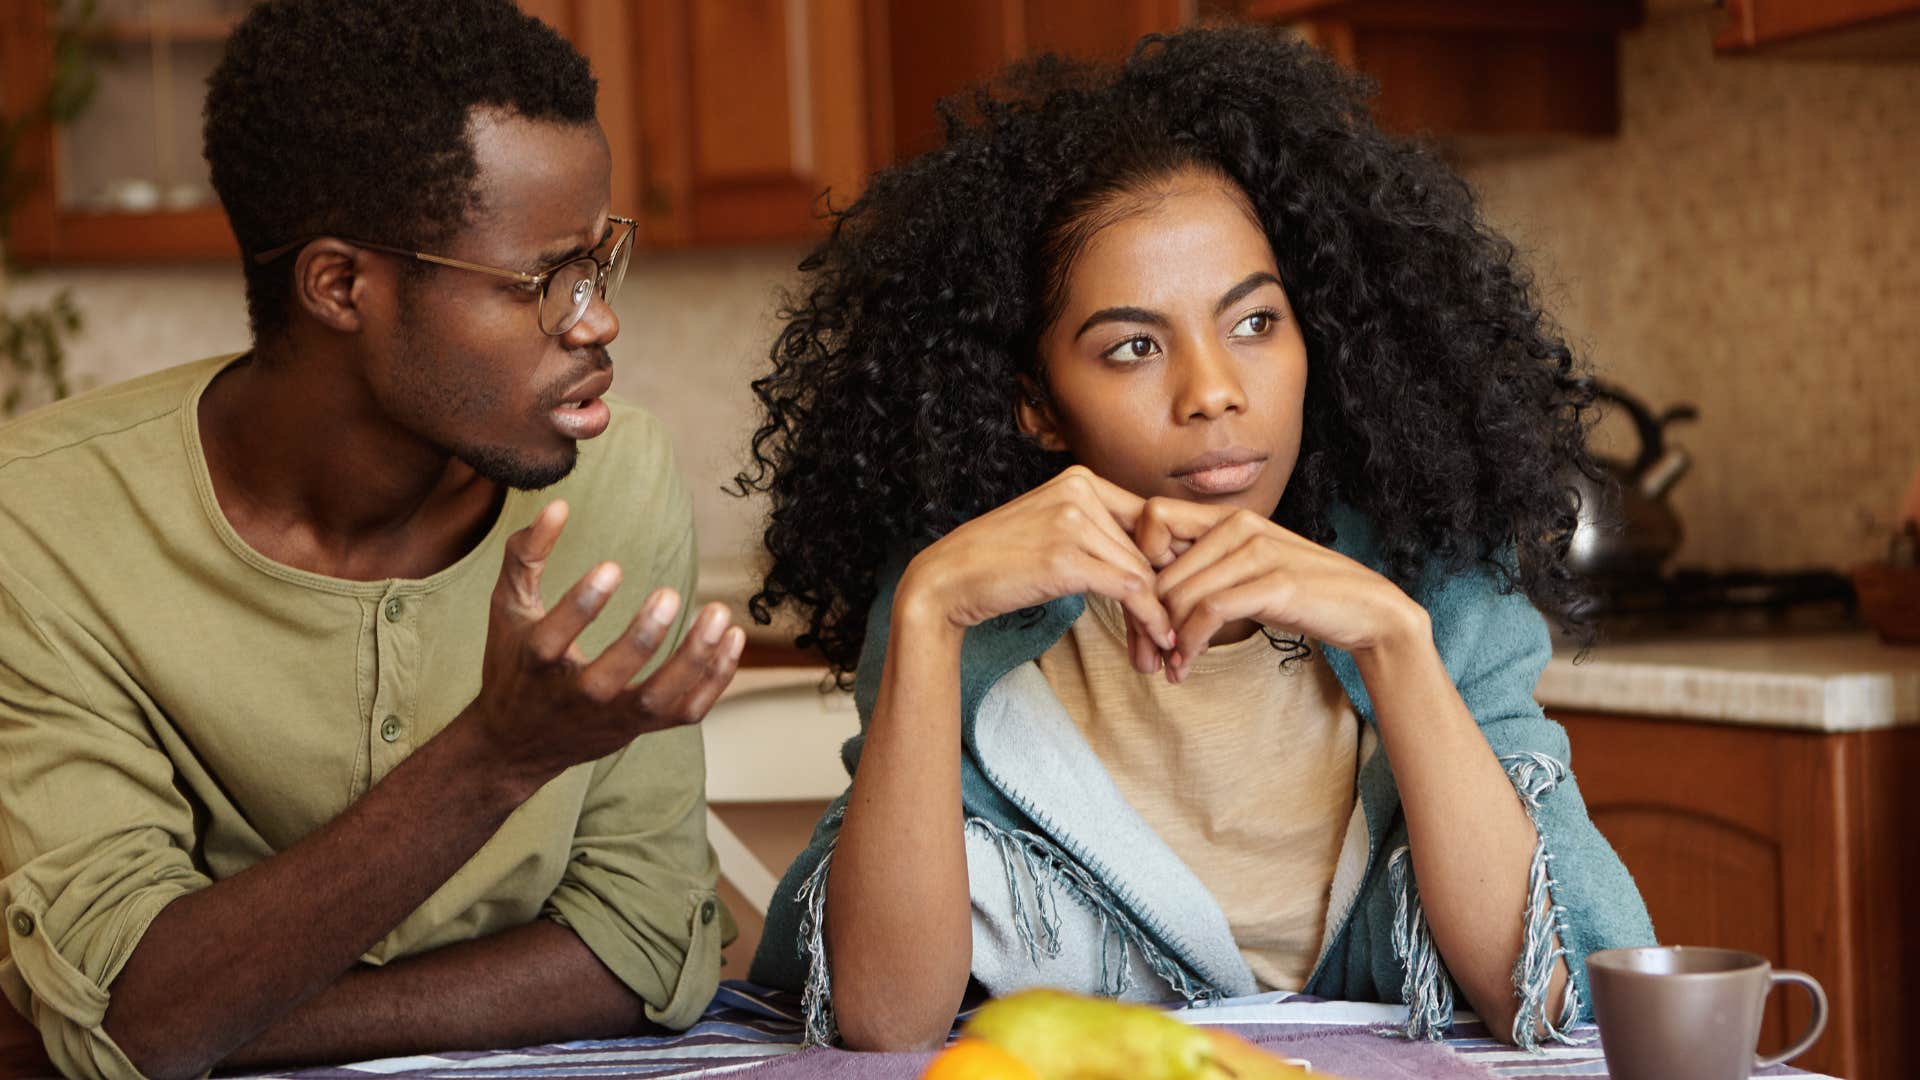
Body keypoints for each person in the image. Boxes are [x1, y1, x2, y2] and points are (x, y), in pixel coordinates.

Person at [737, 25, 1655, 1053]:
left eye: (1256, 323)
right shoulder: (971, 606)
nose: (1214, 392)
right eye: (1134, 346)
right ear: (1036, 404)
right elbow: (883, 1020)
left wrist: (1395, 643)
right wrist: (926, 613)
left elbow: (1561, 990)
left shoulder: (1430, 572)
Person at [0, 2, 746, 1077]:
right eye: (545, 279)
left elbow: (642, 950)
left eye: (598, 260)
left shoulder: (615, 483)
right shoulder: (43, 526)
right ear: (342, 285)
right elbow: (132, 1003)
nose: (596, 321)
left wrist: (203, 1019)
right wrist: (495, 758)